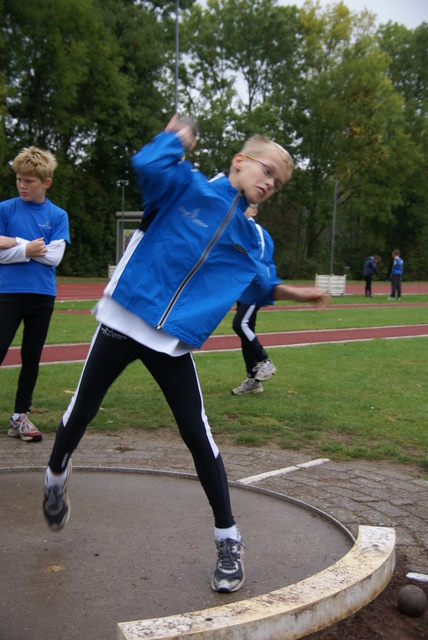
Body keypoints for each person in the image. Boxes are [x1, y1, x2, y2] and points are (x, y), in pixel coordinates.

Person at [42, 115, 327, 594]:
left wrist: (297, 294)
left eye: (276, 183)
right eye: (266, 171)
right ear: (240, 161)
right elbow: (147, 164)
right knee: (82, 409)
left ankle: (229, 539)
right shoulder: (185, 186)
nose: (268, 183)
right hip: (124, 319)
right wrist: (176, 138)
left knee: (199, 436)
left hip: (170, 341)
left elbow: (257, 282)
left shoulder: (254, 237)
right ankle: (54, 475)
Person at [0, 147, 70, 442]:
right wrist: (26, 246)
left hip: (42, 295)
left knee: (31, 356)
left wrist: (11, 245)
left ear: (46, 183)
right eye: (19, 179)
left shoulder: (58, 215)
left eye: (29, 181)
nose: (22, 185)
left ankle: (20, 417)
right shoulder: (5, 209)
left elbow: (54, 258)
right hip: (7, 292)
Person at [232, 205, 277, 395]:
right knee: (246, 331)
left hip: (255, 285)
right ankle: (253, 380)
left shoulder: (256, 230)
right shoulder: (235, 230)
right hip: (243, 288)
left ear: (255, 211)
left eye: (247, 206)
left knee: (239, 324)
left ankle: (265, 360)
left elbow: (261, 258)